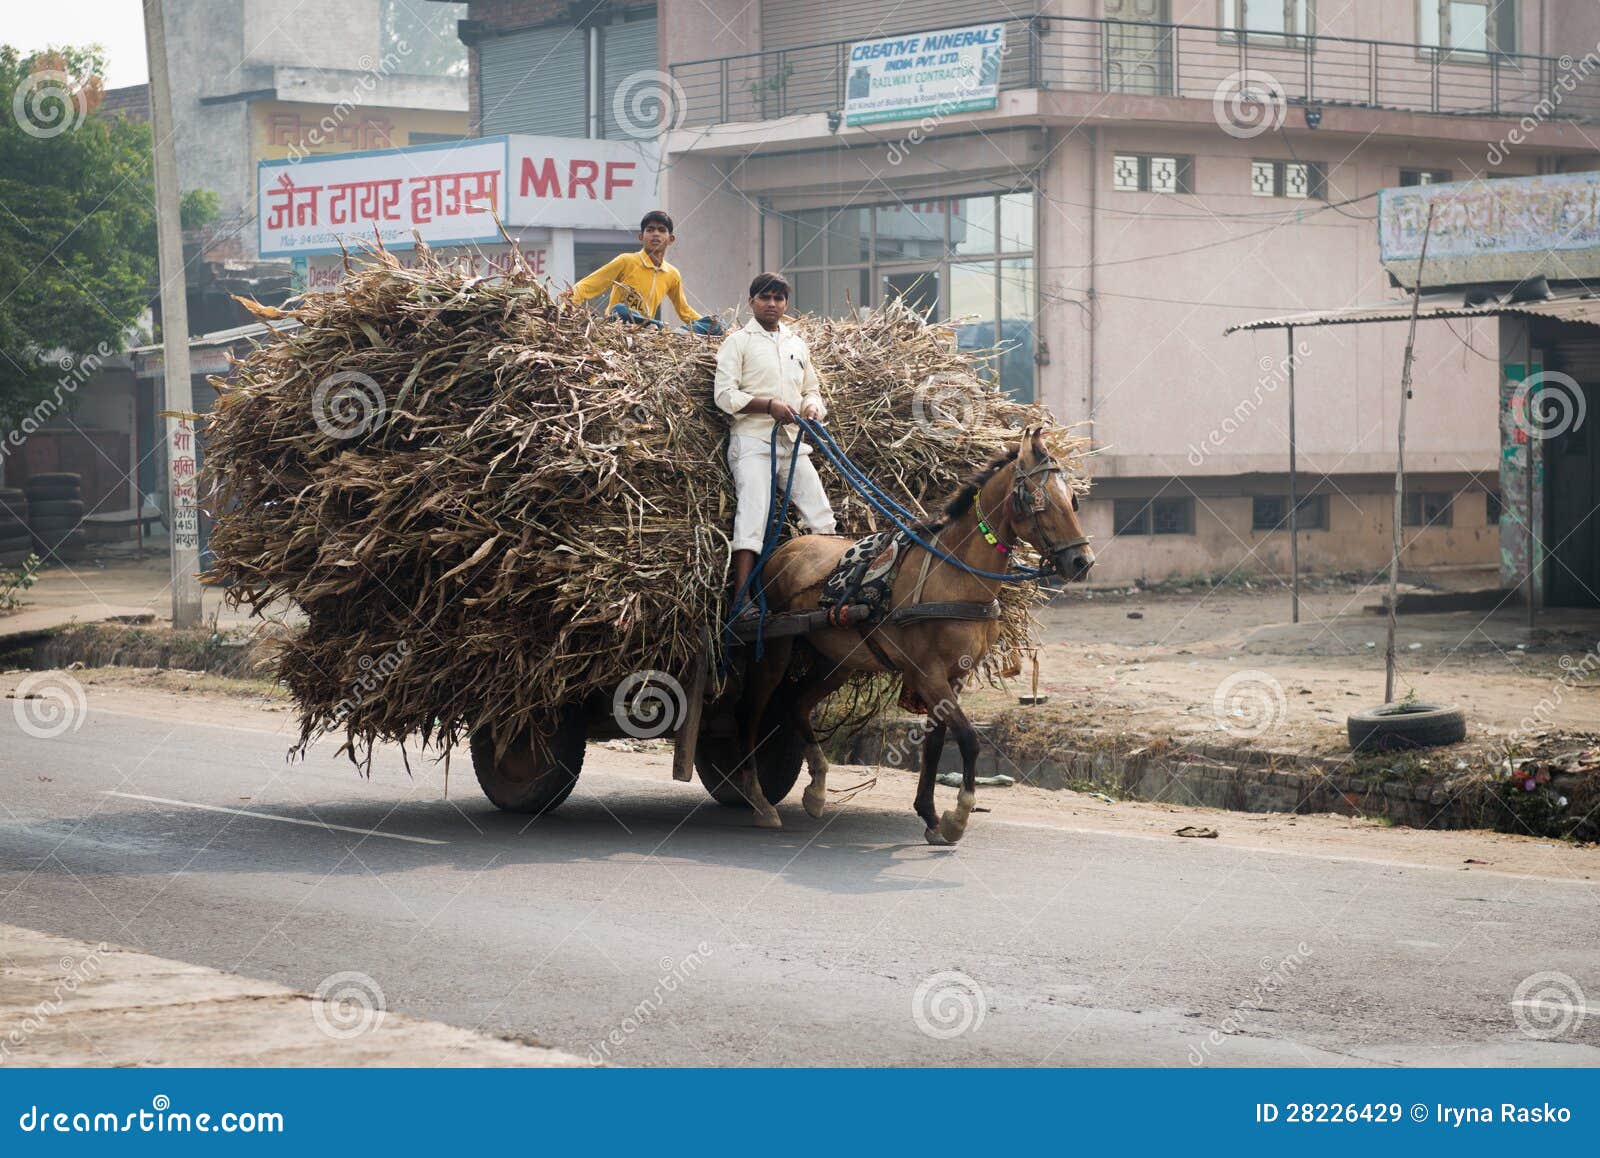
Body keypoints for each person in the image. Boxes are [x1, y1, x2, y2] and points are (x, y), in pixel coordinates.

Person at [714, 272, 836, 614]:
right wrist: (767, 405)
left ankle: (828, 592)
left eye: (778, 298)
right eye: (765, 297)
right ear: (752, 301)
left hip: (793, 443)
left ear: (785, 304)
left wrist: (812, 406)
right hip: (752, 440)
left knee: (821, 515)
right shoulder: (737, 342)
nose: (772, 304)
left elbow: (811, 389)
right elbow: (724, 395)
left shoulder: (797, 344)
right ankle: (742, 601)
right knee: (753, 514)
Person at [560, 209, 721, 334]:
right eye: (650, 230)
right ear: (641, 237)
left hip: (647, 330)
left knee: (718, 324)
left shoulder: (672, 274)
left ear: (670, 239)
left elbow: (684, 311)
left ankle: (675, 334)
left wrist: (707, 323)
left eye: (661, 230)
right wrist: (567, 303)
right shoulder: (627, 261)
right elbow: (590, 285)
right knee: (619, 309)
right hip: (619, 325)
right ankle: (661, 330)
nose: (655, 234)